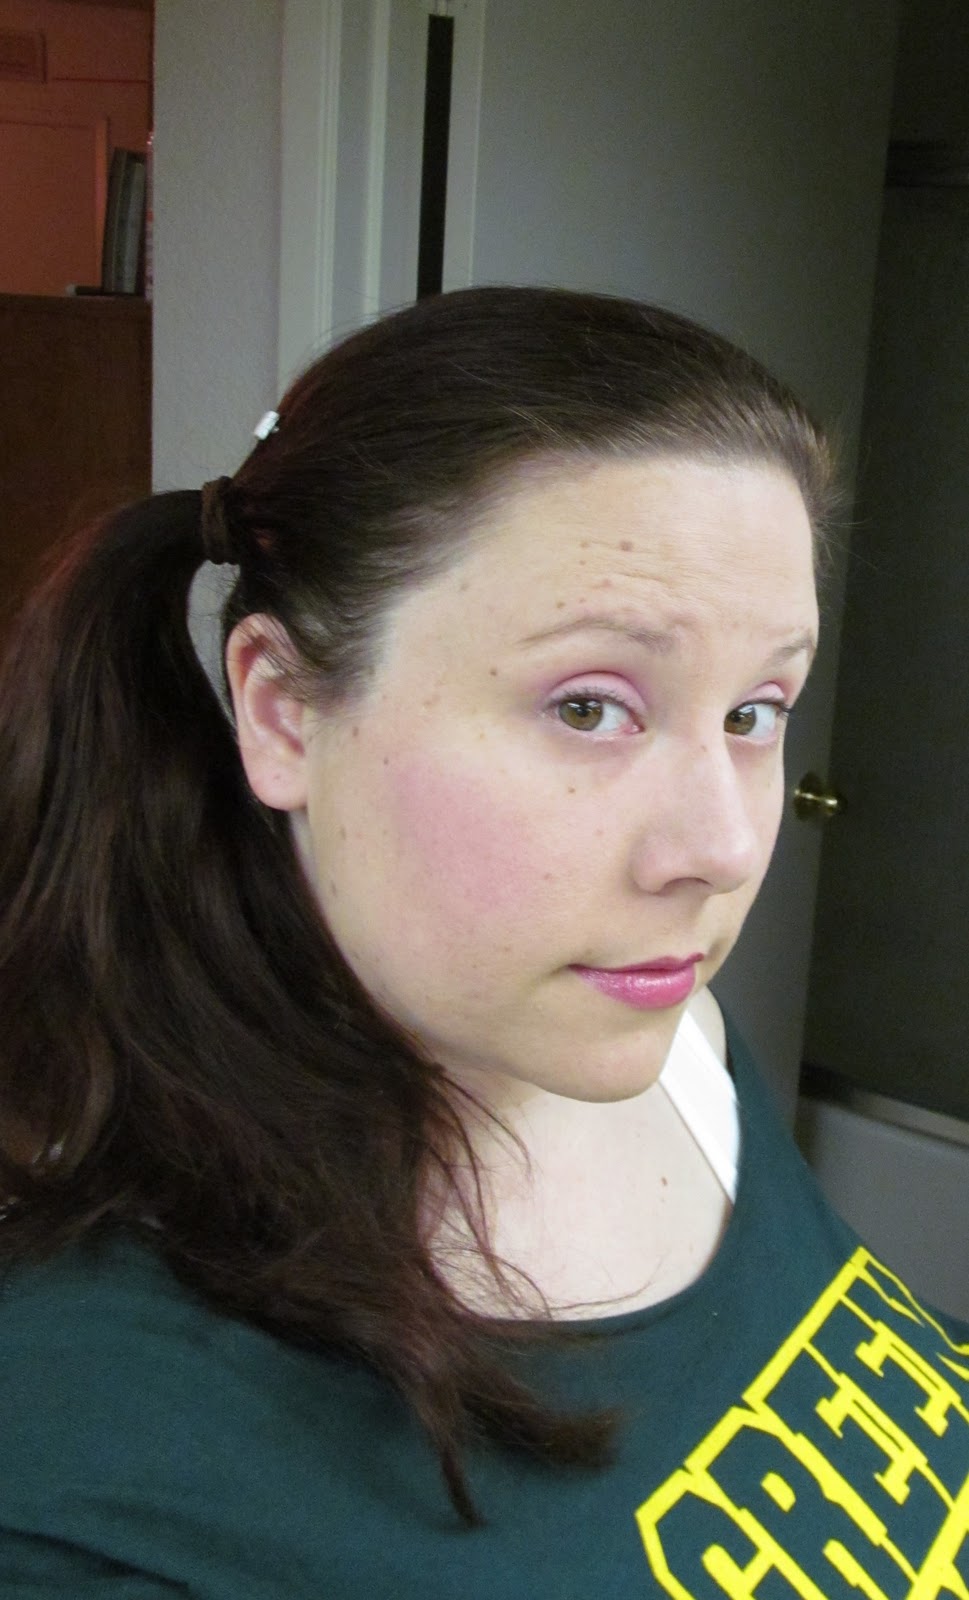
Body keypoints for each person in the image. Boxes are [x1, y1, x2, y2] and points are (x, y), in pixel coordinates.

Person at [0, 286, 965, 1599]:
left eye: (753, 711)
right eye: (590, 706)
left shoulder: (672, 1046)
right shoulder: (82, 1468)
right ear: (281, 713)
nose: (726, 846)